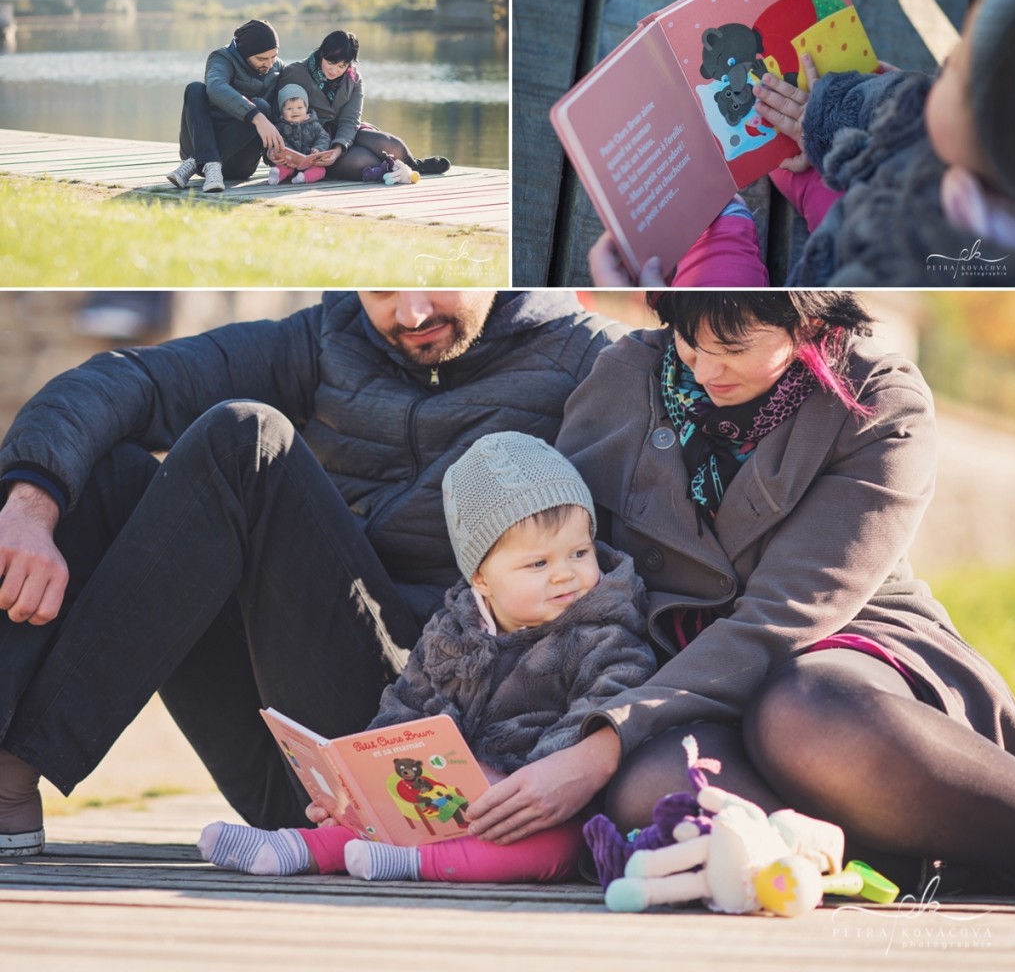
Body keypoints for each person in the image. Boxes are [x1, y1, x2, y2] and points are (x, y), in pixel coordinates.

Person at [0, 292, 625, 858]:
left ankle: (12, 774)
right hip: (296, 774)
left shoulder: (588, 357)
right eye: (382, 289)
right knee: (99, 474)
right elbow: (126, 379)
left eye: (435, 280)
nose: (411, 313)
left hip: (418, 764)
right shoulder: (329, 339)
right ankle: (8, 776)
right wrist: (28, 507)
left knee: (246, 438)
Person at [486, 290, 1015, 898]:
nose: (705, 369)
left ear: (809, 321)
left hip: (844, 656)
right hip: (677, 681)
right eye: (690, 341)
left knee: (805, 712)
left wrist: (598, 749)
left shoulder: (875, 398)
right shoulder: (625, 375)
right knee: (656, 786)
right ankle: (894, 865)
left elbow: (784, 615)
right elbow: (561, 578)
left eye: (734, 348)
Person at [197, 431, 654, 883]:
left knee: (557, 842)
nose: (565, 575)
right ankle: (298, 846)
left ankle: (417, 865)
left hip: (538, 805)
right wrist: (360, 786)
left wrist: (517, 780)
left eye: (579, 552)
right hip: (446, 799)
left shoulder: (605, 634)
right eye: (538, 564)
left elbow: (601, 711)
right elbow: (407, 706)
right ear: (482, 579)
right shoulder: (453, 630)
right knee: (374, 814)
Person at [589, 0, 1015, 288]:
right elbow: (903, 112)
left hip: (840, 247)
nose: (940, 67)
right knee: (790, 128)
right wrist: (821, 119)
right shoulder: (964, 141)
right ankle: (718, 37)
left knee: (719, 300)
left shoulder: (913, 270)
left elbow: (823, 302)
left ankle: (718, 223)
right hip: (870, 182)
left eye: (955, 70)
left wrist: (661, 302)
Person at [275, 30, 451, 183]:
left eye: (342, 66)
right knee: (362, 160)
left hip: (346, 131)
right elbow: (281, 115)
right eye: (330, 63)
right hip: (314, 142)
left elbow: (350, 119)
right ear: (321, 53)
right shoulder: (296, 73)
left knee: (389, 143)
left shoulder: (353, 79)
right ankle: (390, 169)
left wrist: (338, 149)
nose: (334, 70)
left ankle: (413, 166)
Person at [166, 19, 285, 194]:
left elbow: (281, 110)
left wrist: (275, 155)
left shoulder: (278, 68)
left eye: (273, 57)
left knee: (262, 105)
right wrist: (256, 117)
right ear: (245, 53)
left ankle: (198, 160)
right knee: (195, 89)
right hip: (199, 150)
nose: (268, 64)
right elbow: (215, 86)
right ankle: (208, 162)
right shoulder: (221, 58)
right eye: (261, 58)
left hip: (239, 164)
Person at [266, 83, 332, 186]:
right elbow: (277, 142)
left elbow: (323, 137)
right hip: (289, 162)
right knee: (282, 167)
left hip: (310, 162)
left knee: (320, 170)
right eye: (289, 109)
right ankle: (276, 176)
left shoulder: (313, 124)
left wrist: (318, 148)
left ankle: (303, 178)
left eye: (299, 107)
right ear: (282, 111)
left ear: (306, 108)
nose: (295, 111)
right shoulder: (280, 126)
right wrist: (281, 153)